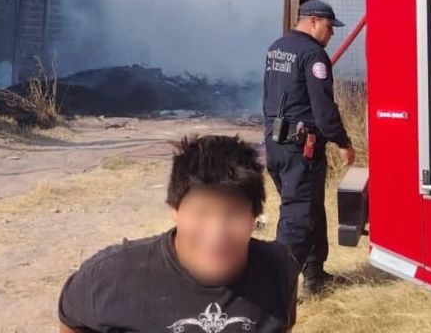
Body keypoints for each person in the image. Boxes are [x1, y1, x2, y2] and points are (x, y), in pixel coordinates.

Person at [58, 135, 298, 333]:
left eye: (233, 213)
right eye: (201, 212)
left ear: (252, 218)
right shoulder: (112, 277)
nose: (217, 232)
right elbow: (72, 318)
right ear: (176, 210)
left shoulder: (277, 270)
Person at [263, 0, 355, 295]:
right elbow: (324, 109)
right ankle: (278, 287)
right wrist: (343, 141)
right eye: (330, 27)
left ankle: (315, 278)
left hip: (277, 145)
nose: (332, 34)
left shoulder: (277, 47)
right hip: (301, 148)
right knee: (299, 216)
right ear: (313, 21)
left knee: (310, 208)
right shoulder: (313, 55)